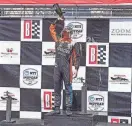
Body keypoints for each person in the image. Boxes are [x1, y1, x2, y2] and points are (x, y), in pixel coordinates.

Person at [49, 16, 81, 116]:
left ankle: (68, 108)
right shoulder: (58, 40)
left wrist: (76, 68)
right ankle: (57, 108)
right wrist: (57, 19)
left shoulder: (74, 43)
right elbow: (51, 29)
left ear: (71, 33)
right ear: (63, 32)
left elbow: (77, 56)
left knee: (68, 87)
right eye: (65, 31)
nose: (66, 33)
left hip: (67, 67)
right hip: (57, 67)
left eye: (68, 31)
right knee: (56, 87)